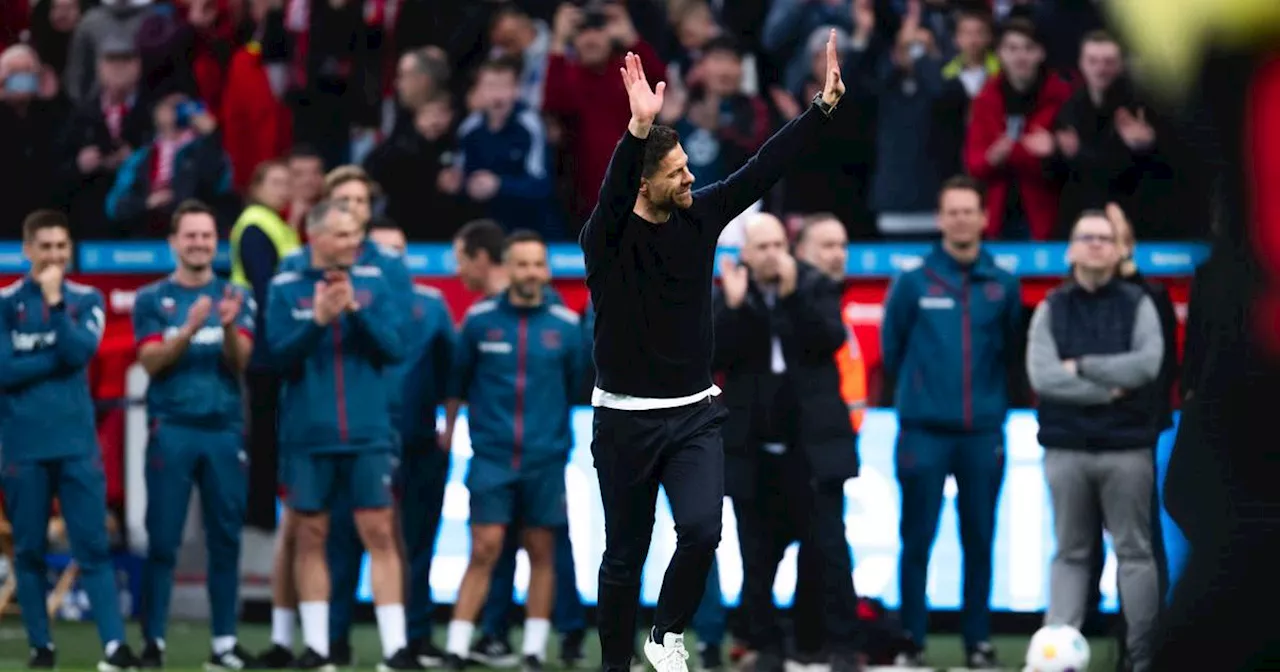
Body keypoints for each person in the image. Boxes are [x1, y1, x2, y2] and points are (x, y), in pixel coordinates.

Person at [581, 32, 847, 672]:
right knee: (623, 557)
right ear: (645, 186)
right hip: (622, 418)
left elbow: (762, 168)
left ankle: (666, 634)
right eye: (675, 173)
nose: (691, 178)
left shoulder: (699, 217)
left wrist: (822, 109)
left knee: (702, 531)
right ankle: (616, 662)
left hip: (695, 412)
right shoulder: (606, 241)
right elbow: (614, 193)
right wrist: (637, 132)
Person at [271, 167, 417, 667]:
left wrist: (354, 311)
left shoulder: (377, 280)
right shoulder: (286, 284)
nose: (355, 241)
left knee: (379, 532)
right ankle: (314, 645)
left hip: (369, 432)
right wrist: (317, 322)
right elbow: (276, 361)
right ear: (315, 236)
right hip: (308, 434)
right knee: (309, 535)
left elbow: (396, 349)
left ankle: (395, 648)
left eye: (357, 234)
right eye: (343, 234)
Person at [880, 176, 1023, 668]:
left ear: (984, 218)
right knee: (916, 540)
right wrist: (922, 398)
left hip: (983, 433)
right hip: (923, 433)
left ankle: (978, 644)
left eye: (970, 211)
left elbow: (1011, 354)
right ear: (941, 219)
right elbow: (891, 351)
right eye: (953, 211)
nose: (961, 219)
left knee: (979, 541)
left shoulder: (1003, 284)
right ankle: (911, 643)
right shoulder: (913, 281)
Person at [712, 213, 861, 672]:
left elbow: (827, 339)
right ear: (746, 255)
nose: (773, 253)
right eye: (762, 246)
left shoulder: (814, 286)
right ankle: (767, 647)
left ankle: (838, 647)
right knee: (757, 560)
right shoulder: (728, 296)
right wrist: (736, 309)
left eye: (779, 244)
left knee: (829, 553)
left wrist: (792, 296)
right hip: (754, 452)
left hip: (812, 452)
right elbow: (715, 356)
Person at [0, 210, 140, 671]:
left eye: (63, 246)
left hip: (77, 446)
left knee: (93, 547)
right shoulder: (5, 303)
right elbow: (3, 372)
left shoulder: (85, 299)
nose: (56, 255)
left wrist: (55, 307)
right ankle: (42, 647)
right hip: (23, 446)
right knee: (28, 550)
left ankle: (115, 649)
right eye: (47, 246)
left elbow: (81, 352)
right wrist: (56, 358)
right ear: (27, 250)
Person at [441, 230, 585, 672]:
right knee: (484, 548)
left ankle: (533, 652)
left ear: (547, 270)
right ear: (507, 268)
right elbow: (456, 384)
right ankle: (456, 648)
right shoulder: (480, 321)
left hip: (545, 459)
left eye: (538, 265)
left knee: (541, 551)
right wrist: (448, 431)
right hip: (492, 458)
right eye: (521, 264)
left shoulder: (565, 327)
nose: (531, 273)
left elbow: (578, 387)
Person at [1025, 210, 1163, 672]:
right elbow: (1043, 376)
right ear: (1071, 248)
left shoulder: (1139, 303)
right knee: (1071, 553)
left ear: (1120, 247)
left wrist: (1080, 367)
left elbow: (1146, 366)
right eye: (1087, 236)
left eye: (1105, 237)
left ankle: (1143, 657)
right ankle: (1057, 658)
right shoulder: (1052, 307)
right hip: (1066, 448)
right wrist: (1108, 387)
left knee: (1135, 554)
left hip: (1127, 449)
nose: (1097, 244)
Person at [133, 201, 257, 669]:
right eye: (191, 236)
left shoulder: (236, 296)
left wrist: (225, 326)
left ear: (216, 242)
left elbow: (241, 361)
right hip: (173, 429)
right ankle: (153, 643)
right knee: (162, 540)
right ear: (173, 242)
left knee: (225, 539)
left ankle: (224, 644)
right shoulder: (151, 299)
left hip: (224, 431)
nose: (200, 243)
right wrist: (187, 329)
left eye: (207, 236)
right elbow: (150, 363)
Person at [366, 220, 457, 668]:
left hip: (420, 440)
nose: (390, 260)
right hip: (363, 441)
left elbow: (451, 370)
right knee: (348, 541)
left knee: (418, 541)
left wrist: (449, 425)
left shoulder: (431, 303)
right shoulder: (353, 301)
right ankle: (331, 640)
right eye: (381, 251)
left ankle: (417, 637)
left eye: (398, 250)